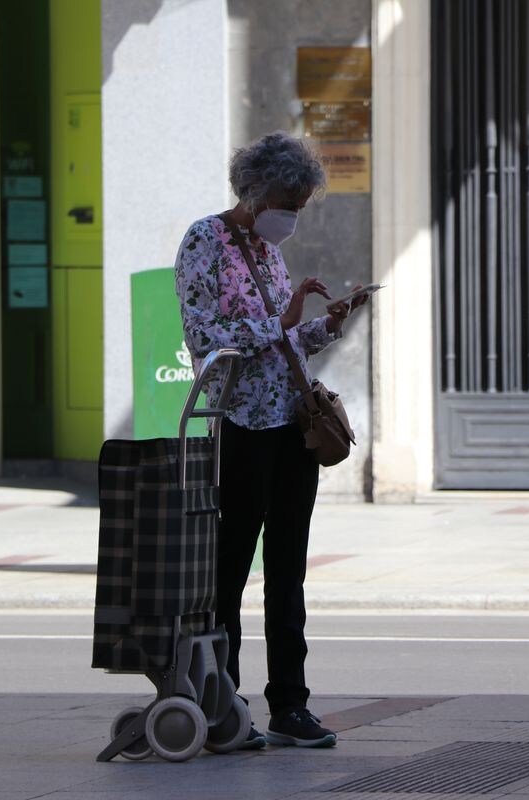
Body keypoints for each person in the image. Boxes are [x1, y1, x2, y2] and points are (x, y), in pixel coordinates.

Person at [173, 131, 368, 749]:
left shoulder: (267, 250)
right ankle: (225, 705)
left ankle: (290, 703)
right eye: (289, 200)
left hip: (290, 422)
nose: (294, 213)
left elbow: (281, 343)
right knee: (230, 567)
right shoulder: (205, 240)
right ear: (257, 192)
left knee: (289, 569)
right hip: (242, 425)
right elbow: (207, 338)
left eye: (303, 204)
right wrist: (281, 322)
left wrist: (326, 326)